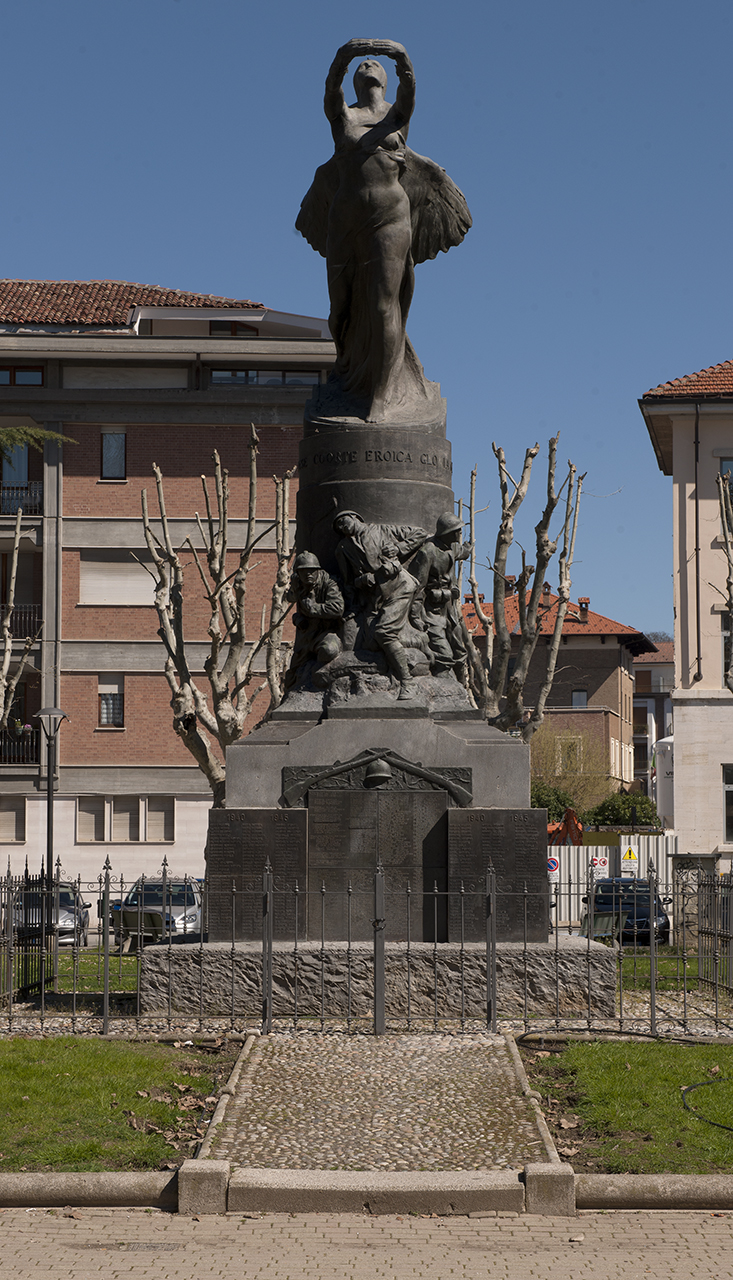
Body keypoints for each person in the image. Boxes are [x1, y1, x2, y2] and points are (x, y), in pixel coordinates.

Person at [296, 38, 471, 423]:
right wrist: (344, 55)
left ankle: (382, 395)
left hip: (391, 218)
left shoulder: (396, 117)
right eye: (363, 65)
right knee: (339, 309)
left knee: (382, 305)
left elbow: (410, 93)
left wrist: (402, 56)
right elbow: (330, 90)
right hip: (344, 220)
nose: (369, 64)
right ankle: (345, 375)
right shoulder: (343, 116)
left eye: (375, 64)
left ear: (387, 79)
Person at [333, 510, 428, 698]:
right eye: (339, 527)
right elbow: (349, 582)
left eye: (344, 521)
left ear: (355, 517)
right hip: (374, 597)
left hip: (399, 587)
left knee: (384, 632)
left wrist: (400, 548)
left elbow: (421, 533)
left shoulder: (381, 530)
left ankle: (408, 682)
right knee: (370, 642)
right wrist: (361, 582)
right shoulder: (342, 548)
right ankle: (411, 650)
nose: (343, 527)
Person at [410, 512, 471, 675]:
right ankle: (443, 685)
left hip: (449, 610)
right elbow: (418, 587)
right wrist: (415, 617)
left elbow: (462, 552)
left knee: (459, 649)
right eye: (457, 531)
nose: (459, 534)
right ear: (447, 533)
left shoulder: (451, 547)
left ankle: (460, 687)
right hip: (432, 611)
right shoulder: (428, 552)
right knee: (444, 653)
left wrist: (468, 548)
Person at [283, 551, 344, 690]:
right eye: (303, 571)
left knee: (329, 650)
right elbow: (290, 599)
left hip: (325, 632)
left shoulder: (329, 583)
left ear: (318, 570)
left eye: (311, 571)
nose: (308, 574)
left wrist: (314, 608)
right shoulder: (299, 583)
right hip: (306, 635)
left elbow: (338, 608)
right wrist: (297, 618)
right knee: (292, 676)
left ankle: (320, 679)